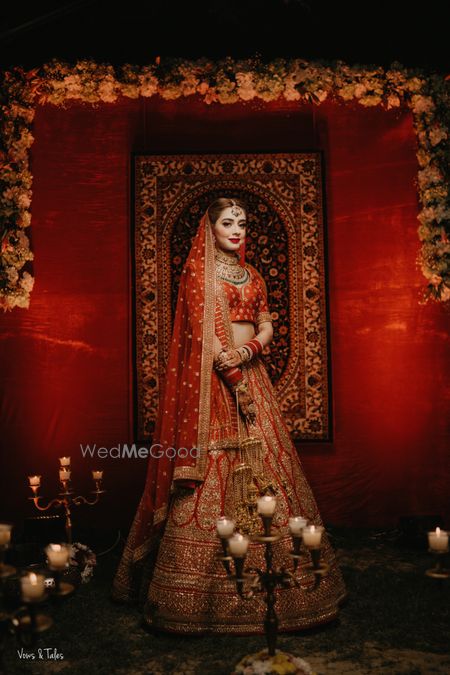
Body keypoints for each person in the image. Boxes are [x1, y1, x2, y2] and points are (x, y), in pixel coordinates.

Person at [111, 197, 347, 634]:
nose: (236, 229)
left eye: (241, 223)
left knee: (269, 466)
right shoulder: (200, 274)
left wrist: (247, 353)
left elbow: (268, 326)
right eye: (227, 222)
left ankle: (284, 585)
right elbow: (203, 336)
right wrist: (233, 372)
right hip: (214, 386)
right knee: (213, 474)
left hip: (251, 375)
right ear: (210, 228)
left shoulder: (252, 274)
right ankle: (195, 596)